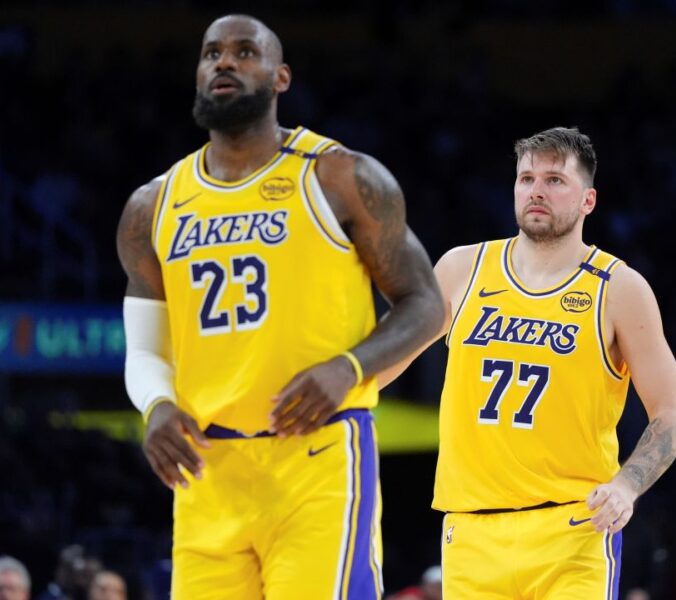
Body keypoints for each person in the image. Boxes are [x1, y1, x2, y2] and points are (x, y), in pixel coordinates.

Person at [116, 14, 444, 600]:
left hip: (317, 459)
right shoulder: (152, 205)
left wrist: (349, 367)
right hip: (208, 471)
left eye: (245, 53)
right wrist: (157, 406)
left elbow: (425, 305)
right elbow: (144, 348)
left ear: (280, 77)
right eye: (212, 53)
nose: (224, 62)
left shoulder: (339, 177)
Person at [379, 127, 676, 598]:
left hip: (572, 529)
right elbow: (384, 360)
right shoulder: (462, 269)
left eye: (554, 180)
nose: (537, 191)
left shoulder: (619, 289)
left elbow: (673, 414)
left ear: (588, 200)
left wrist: (627, 486)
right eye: (526, 179)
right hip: (470, 530)